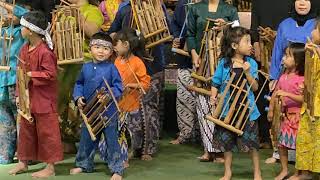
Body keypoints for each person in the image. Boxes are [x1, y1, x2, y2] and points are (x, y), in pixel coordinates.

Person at [108, 1, 168, 160]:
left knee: (149, 110)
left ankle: (148, 148)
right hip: (126, 70)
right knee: (127, 116)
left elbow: (167, 32)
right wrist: (120, 41)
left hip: (152, 66)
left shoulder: (156, 5)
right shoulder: (125, 8)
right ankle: (130, 148)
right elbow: (112, 32)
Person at [8, 11, 63, 178]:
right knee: (25, 131)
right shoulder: (25, 49)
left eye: (22, 27)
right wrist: (19, 94)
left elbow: (51, 75)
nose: (21, 30)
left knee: (48, 133)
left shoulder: (45, 52)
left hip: (44, 100)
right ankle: (23, 162)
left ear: (30, 31)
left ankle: (50, 167)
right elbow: (20, 74)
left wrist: (32, 75)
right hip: (27, 99)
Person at [183, 0, 239, 162]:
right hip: (202, 61)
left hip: (223, 61)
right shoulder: (195, 8)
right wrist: (194, 54)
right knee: (203, 103)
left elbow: (239, 34)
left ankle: (221, 149)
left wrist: (226, 28)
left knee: (221, 103)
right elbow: (191, 33)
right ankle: (208, 149)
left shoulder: (230, 10)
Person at [69, 32, 124, 180]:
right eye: (97, 47)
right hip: (89, 111)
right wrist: (78, 97)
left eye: (105, 49)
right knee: (86, 138)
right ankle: (83, 164)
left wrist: (109, 94)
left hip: (108, 112)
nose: (101, 51)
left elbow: (119, 87)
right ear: (90, 49)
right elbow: (79, 83)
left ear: (111, 52)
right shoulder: (85, 67)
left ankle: (117, 168)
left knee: (112, 140)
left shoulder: (112, 68)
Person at [211, 26, 262, 180]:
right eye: (247, 42)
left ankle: (257, 172)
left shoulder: (251, 63)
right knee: (227, 144)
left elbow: (255, 87)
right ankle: (227, 171)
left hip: (247, 111)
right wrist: (214, 97)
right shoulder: (224, 63)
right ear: (234, 46)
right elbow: (215, 82)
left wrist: (247, 72)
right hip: (227, 110)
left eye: (250, 41)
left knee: (252, 145)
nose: (250, 45)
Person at [58, 0, 104, 153]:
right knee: (64, 104)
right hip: (64, 65)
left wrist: (77, 16)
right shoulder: (62, 11)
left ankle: (89, 143)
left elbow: (93, 32)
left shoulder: (92, 10)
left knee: (83, 103)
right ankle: (67, 141)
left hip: (84, 64)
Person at [113, 28, 150, 166]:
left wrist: (130, 85)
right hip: (119, 104)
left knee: (132, 132)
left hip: (132, 104)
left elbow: (145, 84)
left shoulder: (137, 62)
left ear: (126, 45)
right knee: (119, 131)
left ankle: (129, 154)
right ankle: (121, 155)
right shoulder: (117, 60)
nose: (114, 47)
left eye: (116, 44)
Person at [267, 43, 305, 180]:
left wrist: (288, 95)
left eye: (288, 55)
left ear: (298, 61)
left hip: (299, 117)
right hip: (285, 117)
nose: (284, 58)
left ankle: (299, 173)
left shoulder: (302, 79)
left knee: (299, 146)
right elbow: (275, 93)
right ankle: (284, 170)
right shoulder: (283, 77)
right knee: (282, 145)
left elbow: (304, 99)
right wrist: (271, 110)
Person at [0, 0, 29, 164]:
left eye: (12, 13)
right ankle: (5, 154)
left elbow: (27, 15)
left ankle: (25, 156)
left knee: (22, 119)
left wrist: (4, 4)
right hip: (1, 82)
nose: (7, 16)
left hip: (16, 81)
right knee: (4, 121)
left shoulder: (22, 33)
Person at [294, 16, 320, 180]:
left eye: (316, 28)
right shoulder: (313, 49)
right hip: (310, 102)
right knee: (305, 136)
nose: (313, 31)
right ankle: (305, 172)